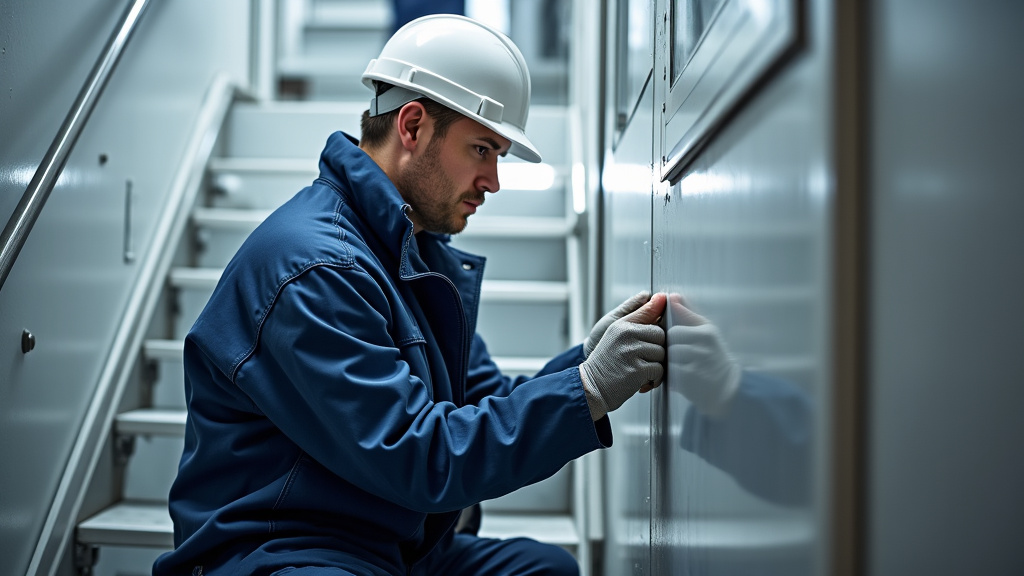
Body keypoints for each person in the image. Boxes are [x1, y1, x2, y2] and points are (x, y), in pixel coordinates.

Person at [153, 15, 666, 576]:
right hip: (286, 548)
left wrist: (586, 364)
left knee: (544, 569)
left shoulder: (413, 251)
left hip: (393, 545)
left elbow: (478, 401)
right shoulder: (315, 268)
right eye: (481, 149)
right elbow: (419, 456)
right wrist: (588, 389)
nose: (493, 180)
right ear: (413, 125)